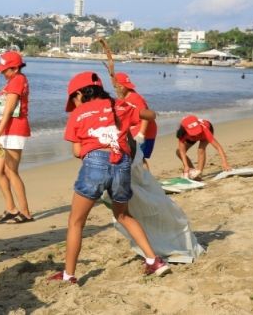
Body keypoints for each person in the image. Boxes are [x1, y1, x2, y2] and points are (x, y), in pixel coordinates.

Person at [49, 71, 169, 284]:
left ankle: (68, 275)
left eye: (73, 99)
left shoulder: (78, 114)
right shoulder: (120, 106)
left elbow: (77, 152)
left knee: (76, 222)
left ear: (80, 93)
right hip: (122, 163)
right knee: (123, 215)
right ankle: (154, 261)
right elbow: (150, 115)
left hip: (95, 162)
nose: (74, 104)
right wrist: (135, 113)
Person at [0, 50, 34, 223]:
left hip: (14, 131)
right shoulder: (13, 81)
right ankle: (11, 208)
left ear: (15, 68)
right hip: (7, 132)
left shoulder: (18, 80)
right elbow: (5, 106)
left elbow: (9, 112)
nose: (2, 72)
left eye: (5, 69)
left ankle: (25, 212)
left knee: (10, 170)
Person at [114, 72, 158, 169]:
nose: (118, 89)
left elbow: (146, 115)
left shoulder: (135, 98)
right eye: (117, 87)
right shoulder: (123, 97)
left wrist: (141, 134)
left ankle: (145, 179)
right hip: (135, 128)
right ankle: (141, 179)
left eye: (121, 86)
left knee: (139, 157)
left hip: (145, 130)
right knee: (136, 157)